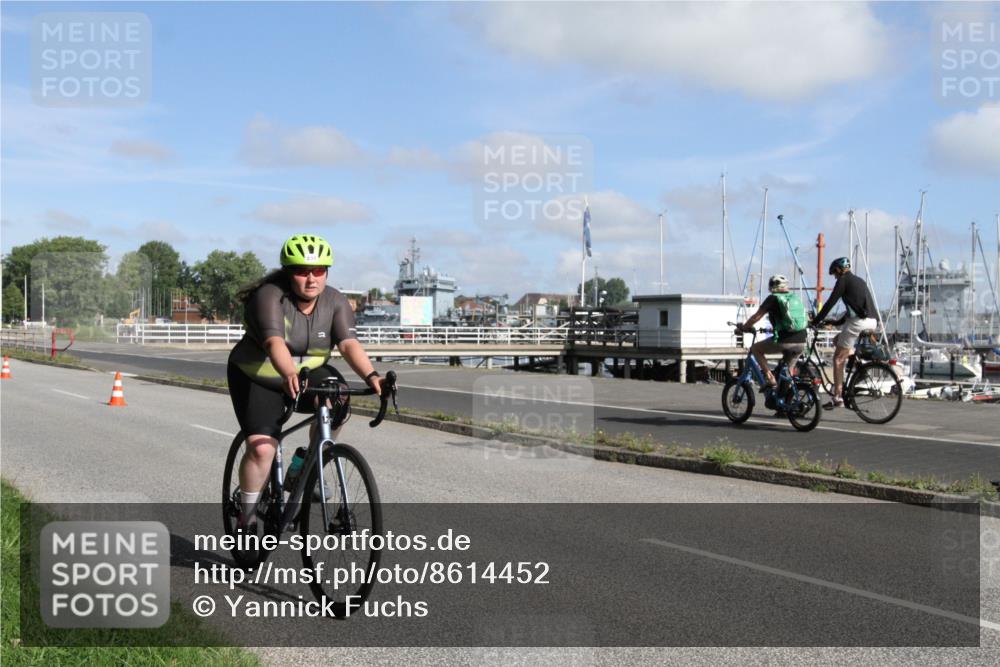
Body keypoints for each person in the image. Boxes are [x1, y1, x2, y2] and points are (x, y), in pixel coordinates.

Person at [227, 233, 382, 528]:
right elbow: (274, 343)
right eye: (302, 271)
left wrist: (373, 376)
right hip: (258, 374)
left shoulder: (335, 301)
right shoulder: (270, 296)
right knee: (262, 448)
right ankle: (245, 515)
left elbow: (349, 344)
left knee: (339, 395)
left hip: (306, 371)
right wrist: (288, 374)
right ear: (288, 272)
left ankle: (304, 466)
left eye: (319, 271)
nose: (312, 279)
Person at [810, 256, 878, 409]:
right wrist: (834, 322)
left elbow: (830, 303)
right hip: (872, 321)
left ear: (839, 270)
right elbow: (854, 310)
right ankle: (858, 364)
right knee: (836, 341)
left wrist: (815, 321)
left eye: (834, 273)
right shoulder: (859, 281)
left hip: (858, 322)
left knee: (838, 360)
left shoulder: (843, 280)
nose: (834, 276)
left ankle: (837, 397)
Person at [736, 274, 808, 392]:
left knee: (755, 349)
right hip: (801, 341)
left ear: (772, 286)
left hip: (785, 341)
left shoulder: (773, 298)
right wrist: (772, 330)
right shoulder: (794, 297)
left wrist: (744, 327)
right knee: (787, 372)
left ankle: (770, 379)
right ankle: (786, 399)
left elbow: (756, 317)